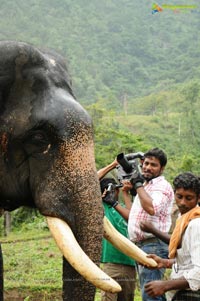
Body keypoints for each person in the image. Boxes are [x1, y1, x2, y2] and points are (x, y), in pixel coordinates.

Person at [144, 172, 200, 301]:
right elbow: (188, 262)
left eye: (189, 198)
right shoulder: (184, 219)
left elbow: (199, 271)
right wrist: (164, 262)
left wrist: (165, 285)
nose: (182, 203)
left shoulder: (196, 224)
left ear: (199, 198)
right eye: (179, 196)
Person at [127, 147, 174, 301]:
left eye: (153, 165)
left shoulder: (161, 186)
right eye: (146, 163)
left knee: (151, 295)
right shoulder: (147, 186)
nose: (147, 167)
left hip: (153, 245)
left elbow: (151, 208)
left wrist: (138, 184)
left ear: (162, 168)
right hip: (141, 245)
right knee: (148, 294)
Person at [97, 163, 136, 301]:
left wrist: (125, 192)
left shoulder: (124, 208)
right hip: (110, 264)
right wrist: (113, 164)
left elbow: (133, 219)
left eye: (114, 190)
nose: (111, 192)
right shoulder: (100, 208)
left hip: (130, 263)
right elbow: (92, 179)